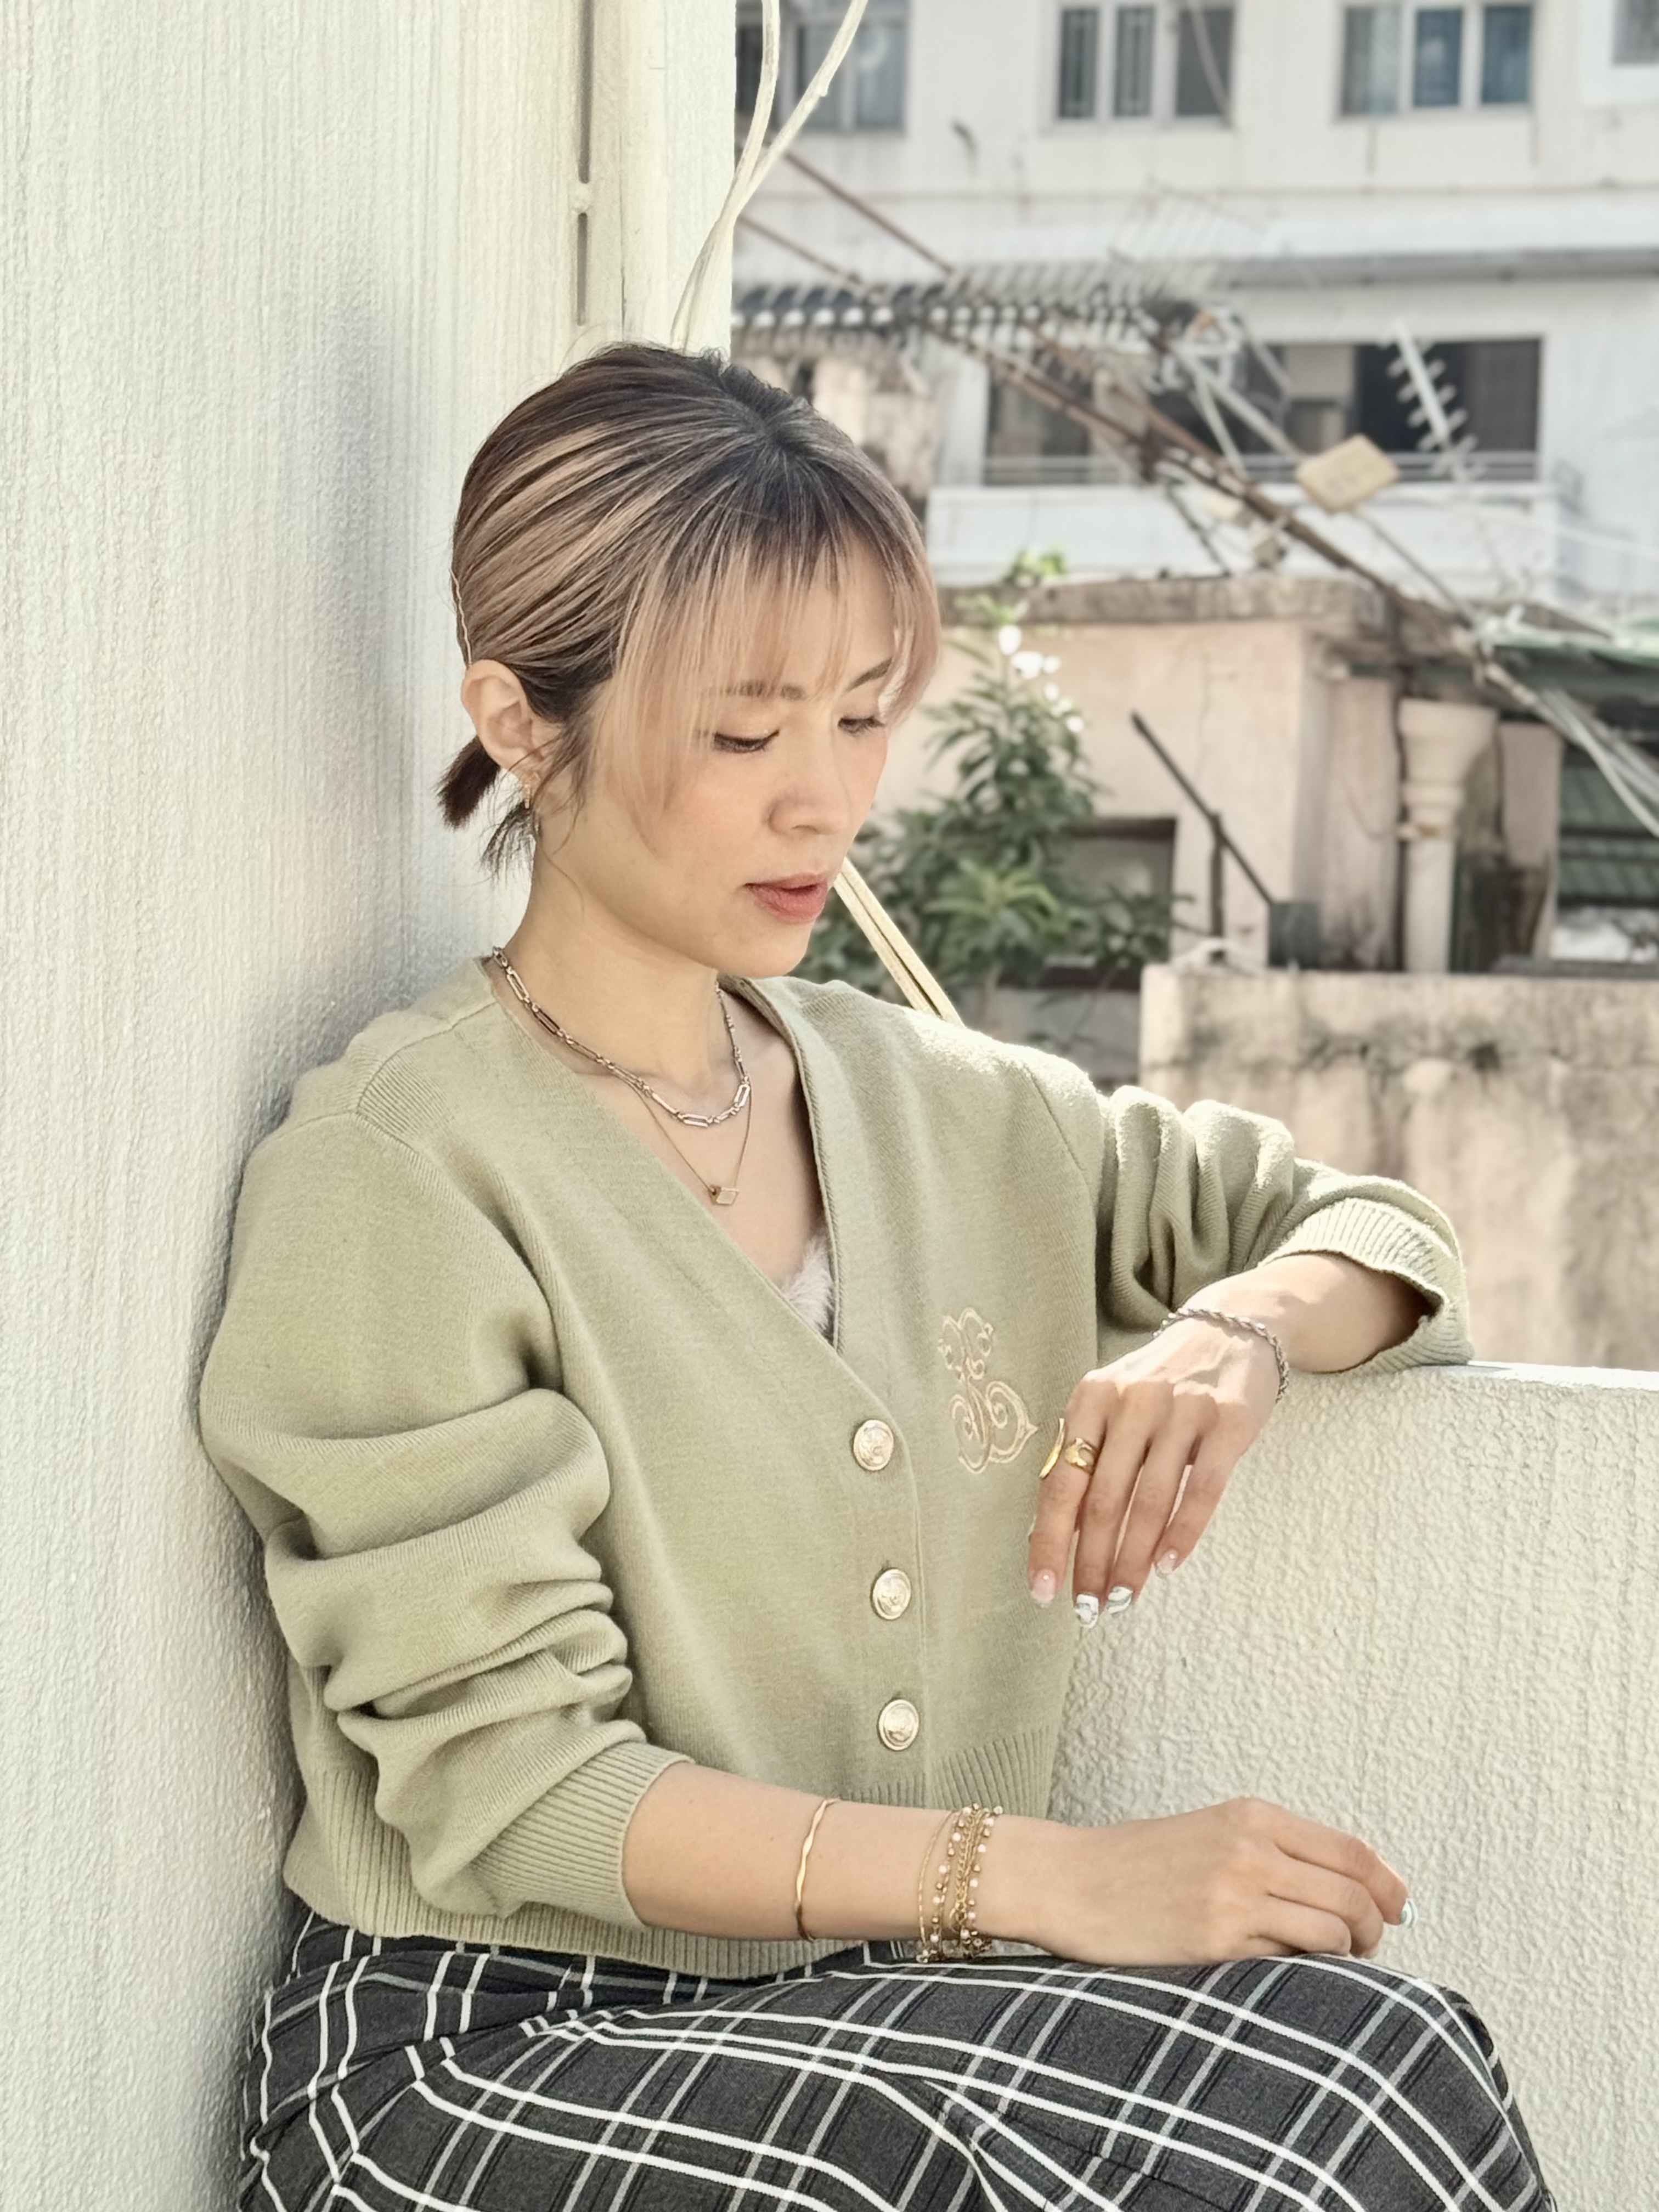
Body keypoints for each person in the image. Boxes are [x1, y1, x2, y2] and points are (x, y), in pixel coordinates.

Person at [196, 341, 1555, 2211]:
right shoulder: (402, 1164)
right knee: (1273, 2142)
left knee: (1386, 2053)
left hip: (865, 2015)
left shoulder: (949, 1107)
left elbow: (1379, 1234)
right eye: (746, 735)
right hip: (481, 2048)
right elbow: (522, 1792)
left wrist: (1235, 1333)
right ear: (520, 722)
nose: (824, 801)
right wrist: (1053, 1879)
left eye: (860, 718)